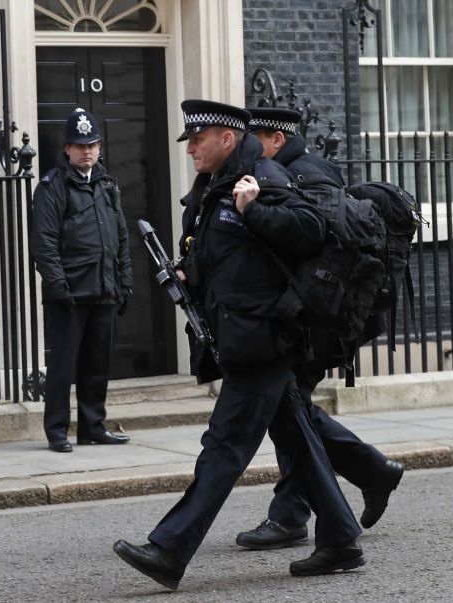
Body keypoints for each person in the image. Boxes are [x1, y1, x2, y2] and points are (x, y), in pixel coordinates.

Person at [113, 100, 365, 591]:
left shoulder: (261, 177)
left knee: (224, 446)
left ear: (226, 138)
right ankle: (340, 539)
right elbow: (227, 256)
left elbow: (311, 230)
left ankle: (168, 549)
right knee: (297, 437)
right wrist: (191, 274)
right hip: (242, 335)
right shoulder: (217, 185)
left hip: (265, 338)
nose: (190, 150)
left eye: (198, 140)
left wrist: (256, 210)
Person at [232, 106, 404, 550]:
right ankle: (370, 473)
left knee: (290, 412)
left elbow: (316, 247)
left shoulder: (306, 175)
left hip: (319, 319)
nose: (252, 151)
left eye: (257, 141)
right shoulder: (295, 170)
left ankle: (296, 513)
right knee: (291, 411)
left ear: (275, 140)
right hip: (311, 315)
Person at [31, 108, 134, 453]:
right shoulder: (52, 187)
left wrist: (125, 280)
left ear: (100, 147)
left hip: (104, 288)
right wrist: (58, 286)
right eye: (79, 145)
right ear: (67, 149)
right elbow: (43, 243)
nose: (86, 151)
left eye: (91, 144)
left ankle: (92, 425)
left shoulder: (107, 184)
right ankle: (57, 430)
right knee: (63, 366)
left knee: (96, 364)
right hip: (70, 294)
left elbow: (120, 235)